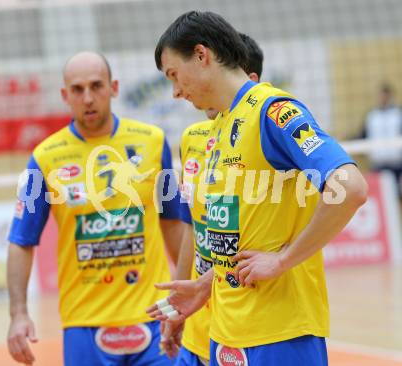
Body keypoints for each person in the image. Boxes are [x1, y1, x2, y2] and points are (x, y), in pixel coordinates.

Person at [147, 11, 368, 366]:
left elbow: (351, 188)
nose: (175, 91)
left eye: (174, 74)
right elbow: (241, 231)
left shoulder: (272, 111)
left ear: (202, 55)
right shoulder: (220, 126)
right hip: (227, 329)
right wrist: (205, 286)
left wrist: (282, 260)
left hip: (280, 332)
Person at [6, 51, 182, 366]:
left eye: (96, 86)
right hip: (84, 324)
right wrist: (18, 314)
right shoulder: (46, 157)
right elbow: (22, 240)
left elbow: (173, 222)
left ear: (113, 87)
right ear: (64, 95)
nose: (88, 97)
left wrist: (187, 292)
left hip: (155, 317)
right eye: (77, 89)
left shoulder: (152, 142)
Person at [160, 32, 264, 366]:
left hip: (246, 322)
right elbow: (193, 223)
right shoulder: (193, 138)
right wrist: (178, 301)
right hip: (199, 323)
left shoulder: (266, 133)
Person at [362, 83, 402, 192]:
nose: (383, 98)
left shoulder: (398, 113)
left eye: (385, 95)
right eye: (381, 95)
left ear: (390, 96)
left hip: (397, 164)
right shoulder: (372, 115)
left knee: (397, 193)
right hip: (378, 164)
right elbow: (362, 134)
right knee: (381, 194)